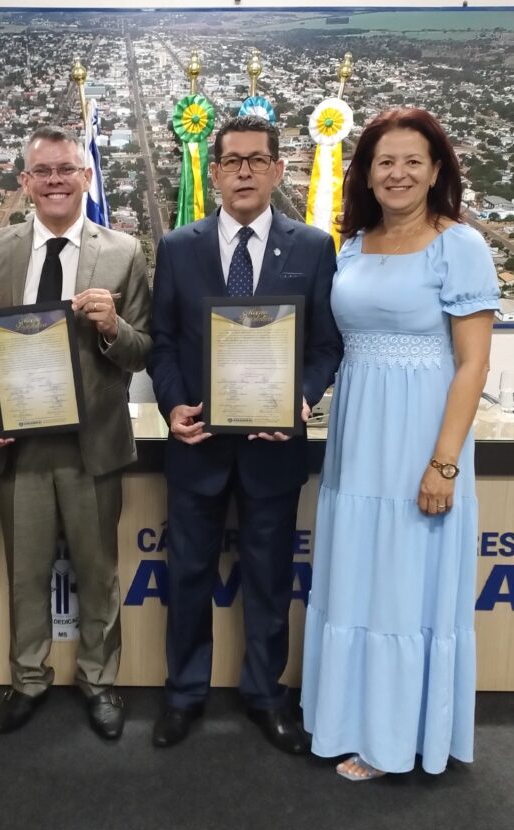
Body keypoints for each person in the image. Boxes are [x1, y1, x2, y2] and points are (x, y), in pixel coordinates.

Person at [300, 108, 499, 780]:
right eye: (385, 161)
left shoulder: (459, 245)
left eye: (413, 160)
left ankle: (396, 741)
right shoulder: (352, 245)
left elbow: (472, 363)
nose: (398, 173)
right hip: (358, 440)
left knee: (404, 587)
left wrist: (444, 462)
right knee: (358, 576)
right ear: (367, 173)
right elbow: (338, 344)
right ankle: (348, 721)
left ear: (437, 169)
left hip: (422, 439)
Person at [147, 115, 342, 751]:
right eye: (232, 161)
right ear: (215, 173)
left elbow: (324, 346)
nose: (245, 172)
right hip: (198, 444)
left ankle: (265, 696)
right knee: (189, 575)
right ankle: (184, 696)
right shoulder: (179, 246)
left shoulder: (312, 247)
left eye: (259, 161)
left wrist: (300, 401)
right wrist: (173, 407)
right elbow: (165, 342)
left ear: (279, 170)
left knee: (268, 578)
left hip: (273, 450)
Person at [0, 126, 152, 740]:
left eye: (66, 169)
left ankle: (100, 680)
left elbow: (143, 351)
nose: (55, 181)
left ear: (86, 176)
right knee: (27, 570)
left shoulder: (123, 252)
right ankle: (27, 678)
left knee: (98, 572)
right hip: (20, 444)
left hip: (93, 444)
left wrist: (112, 325)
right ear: (25, 182)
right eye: (41, 171)